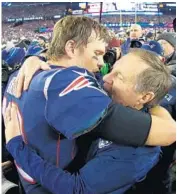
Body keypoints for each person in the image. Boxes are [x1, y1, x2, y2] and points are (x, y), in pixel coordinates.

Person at [3, 16, 175, 193]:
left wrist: (17, 147)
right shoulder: (69, 83)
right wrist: (36, 57)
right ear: (71, 48)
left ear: (145, 96)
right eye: (97, 54)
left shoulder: (137, 153)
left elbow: (76, 188)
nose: (104, 74)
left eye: (119, 77)